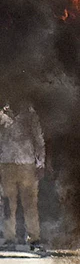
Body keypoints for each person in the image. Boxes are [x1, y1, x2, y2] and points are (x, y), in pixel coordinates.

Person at [0, 103, 45, 249]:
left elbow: (39, 139)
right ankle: (9, 239)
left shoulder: (30, 114)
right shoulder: (2, 115)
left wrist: (40, 163)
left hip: (27, 164)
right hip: (6, 163)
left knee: (30, 203)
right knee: (7, 204)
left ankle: (34, 239)